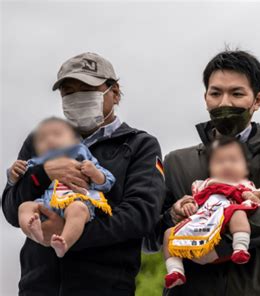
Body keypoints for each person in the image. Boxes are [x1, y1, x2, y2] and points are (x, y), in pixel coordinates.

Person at [2, 52, 165, 295]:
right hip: (37, 287)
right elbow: (10, 209)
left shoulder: (139, 145)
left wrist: (67, 233)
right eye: (69, 92)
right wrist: (43, 173)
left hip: (105, 287)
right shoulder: (42, 140)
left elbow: (141, 215)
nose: (77, 97)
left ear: (115, 92)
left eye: (87, 88)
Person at [156, 50, 260, 296]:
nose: (225, 103)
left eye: (237, 93)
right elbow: (152, 235)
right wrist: (173, 215)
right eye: (216, 93)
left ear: (258, 100)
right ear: (205, 97)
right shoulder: (177, 161)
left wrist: (208, 247)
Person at [162, 137, 260, 288]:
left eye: (233, 160)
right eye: (219, 161)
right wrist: (188, 205)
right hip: (203, 220)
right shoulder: (202, 185)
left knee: (237, 212)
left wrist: (252, 196)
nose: (226, 165)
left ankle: (240, 247)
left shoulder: (246, 186)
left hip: (223, 232)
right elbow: (194, 200)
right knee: (169, 233)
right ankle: (175, 271)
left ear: (246, 167)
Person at [12, 117, 115, 258]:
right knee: (24, 207)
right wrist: (13, 172)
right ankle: (34, 233)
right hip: (45, 204)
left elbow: (107, 181)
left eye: (57, 135)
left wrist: (94, 173)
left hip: (75, 200)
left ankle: (64, 242)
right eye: (42, 139)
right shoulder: (38, 160)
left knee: (78, 210)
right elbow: (19, 181)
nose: (49, 140)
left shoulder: (83, 155)